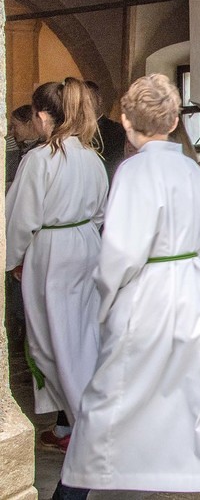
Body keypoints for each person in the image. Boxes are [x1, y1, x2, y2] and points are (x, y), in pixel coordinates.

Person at [56, 74, 200, 500]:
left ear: (126, 121)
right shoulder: (192, 170)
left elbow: (120, 251)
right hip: (194, 291)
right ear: (175, 121)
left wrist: (107, 300)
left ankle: (70, 493)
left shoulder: (132, 172)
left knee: (111, 397)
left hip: (146, 295)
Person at [5, 78, 107, 452]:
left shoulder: (39, 160)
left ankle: (86, 428)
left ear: (43, 117)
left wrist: (13, 259)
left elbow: (20, 218)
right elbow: (100, 211)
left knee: (55, 344)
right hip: (87, 246)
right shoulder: (91, 157)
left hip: (52, 253)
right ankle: (84, 421)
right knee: (84, 339)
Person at [85, 80, 127, 182]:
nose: (85, 105)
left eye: (89, 100)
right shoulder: (75, 133)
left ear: (99, 100)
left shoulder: (116, 130)